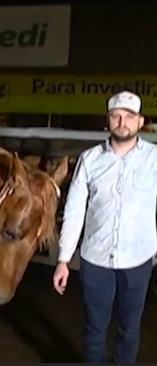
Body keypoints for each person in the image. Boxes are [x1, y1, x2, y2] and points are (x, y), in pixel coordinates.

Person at [53, 90, 157, 363]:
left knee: (130, 328)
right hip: (95, 261)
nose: (122, 122)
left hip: (138, 261)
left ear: (140, 121)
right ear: (108, 120)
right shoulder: (90, 160)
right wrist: (64, 260)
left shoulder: (154, 159)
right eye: (116, 116)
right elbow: (74, 211)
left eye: (129, 116)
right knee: (95, 329)